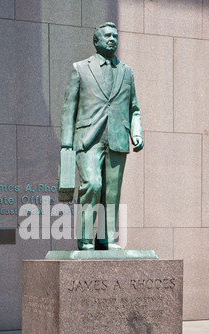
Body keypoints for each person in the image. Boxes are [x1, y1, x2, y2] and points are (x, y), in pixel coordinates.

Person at [61, 22, 144, 250]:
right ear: (96, 41)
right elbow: (69, 109)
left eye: (115, 36)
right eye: (107, 35)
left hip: (118, 138)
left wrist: (136, 132)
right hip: (88, 139)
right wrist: (66, 145)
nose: (112, 39)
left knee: (112, 192)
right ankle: (85, 238)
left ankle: (106, 239)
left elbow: (134, 107)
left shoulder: (127, 72)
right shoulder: (80, 68)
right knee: (92, 185)